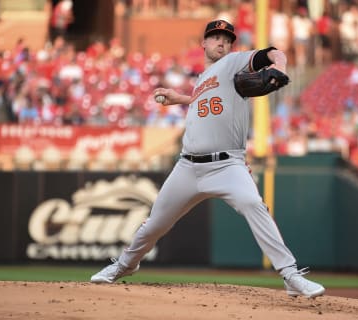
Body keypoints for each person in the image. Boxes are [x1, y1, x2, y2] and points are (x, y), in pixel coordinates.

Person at [90, 19, 325, 298]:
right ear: (204, 43)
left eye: (226, 38)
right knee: (155, 224)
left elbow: (272, 52)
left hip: (227, 165)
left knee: (253, 204)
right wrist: (181, 98)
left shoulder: (235, 62)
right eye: (215, 37)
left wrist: (280, 66)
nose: (221, 42)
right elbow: (207, 101)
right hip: (187, 167)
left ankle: (290, 274)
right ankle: (124, 266)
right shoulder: (203, 80)